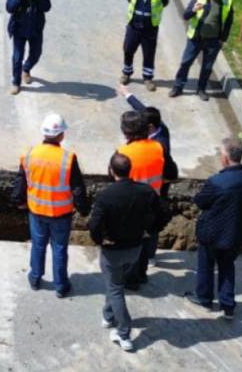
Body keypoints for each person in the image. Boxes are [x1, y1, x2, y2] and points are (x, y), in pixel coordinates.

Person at [11, 113, 90, 298]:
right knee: (59, 249)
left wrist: (19, 202)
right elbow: (78, 188)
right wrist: (83, 209)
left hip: (37, 212)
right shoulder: (68, 158)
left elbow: (20, 183)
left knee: (38, 246)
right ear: (61, 135)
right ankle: (61, 286)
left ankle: (35, 279)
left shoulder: (29, 154)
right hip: (61, 214)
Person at [89, 153, 161, 352]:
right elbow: (163, 213)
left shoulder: (106, 195)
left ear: (111, 171)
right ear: (130, 170)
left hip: (113, 251)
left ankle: (124, 334)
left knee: (115, 289)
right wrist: (150, 231)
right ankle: (107, 316)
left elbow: (94, 224)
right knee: (115, 284)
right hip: (135, 250)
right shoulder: (145, 191)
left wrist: (100, 240)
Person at [184, 137, 242, 319]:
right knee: (227, 266)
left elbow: (201, 202)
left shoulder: (217, 181)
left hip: (213, 233)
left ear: (225, 159)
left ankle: (205, 298)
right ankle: (227, 305)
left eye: (220, 153)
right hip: (237, 233)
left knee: (206, 266)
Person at [119, 83, 176, 273]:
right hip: (146, 188)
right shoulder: (158, 125)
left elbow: (171, 173)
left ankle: (149, 256)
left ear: (150, 127)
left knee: (150, 228)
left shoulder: (161, 145)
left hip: (154, 193)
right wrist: (128, 95)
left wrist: (164, 181)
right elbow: (142, 109)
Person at [115, 110, 165, 290]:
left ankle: (130, 279)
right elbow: (171, 172)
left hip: (130, 207)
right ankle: (141, 274)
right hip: (152, 206)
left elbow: (113, 177)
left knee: (131, 244)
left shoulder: (122, 153)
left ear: (126, 132)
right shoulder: (158, 147)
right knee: (146, 241)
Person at [169, 0, 233, 101]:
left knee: (207, 67)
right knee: (186, 63)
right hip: (196, 38)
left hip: (214, 41)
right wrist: (194, 10)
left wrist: (222, 40)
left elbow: (228, 23)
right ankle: (178, 87)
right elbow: (186, 15)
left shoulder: (226, 2)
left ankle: (201, 89)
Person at [121, 0, 170, 92]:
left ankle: (148, 78)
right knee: (128, 49)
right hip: (134, 25)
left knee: (149, 53)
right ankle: (127, 73)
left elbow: (165, 1)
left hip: (150, 27)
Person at [5, 0, 51, 95]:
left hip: (35, 28)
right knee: (17, 58)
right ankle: (16, 83)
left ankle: (26, 69)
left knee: (36, 54)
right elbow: (9, 8)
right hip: (19, 29)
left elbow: (47, 7)